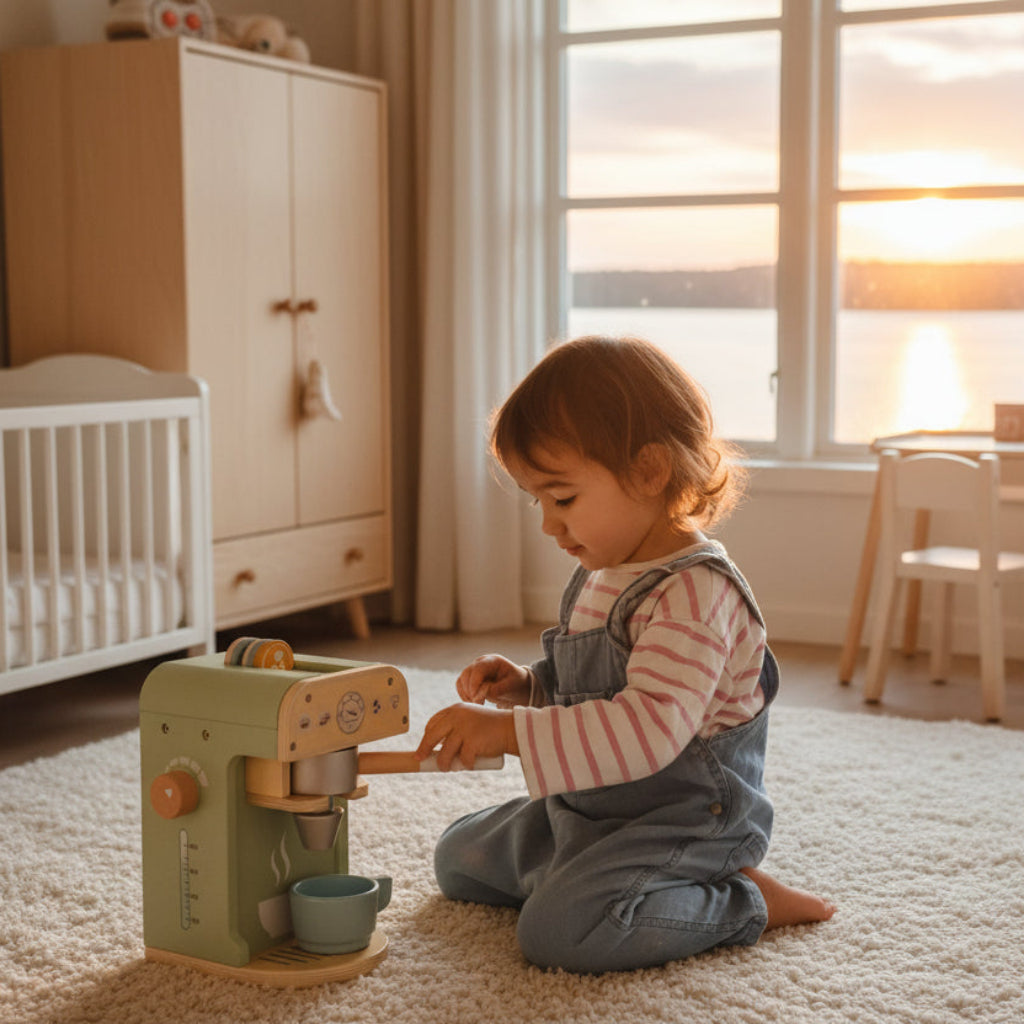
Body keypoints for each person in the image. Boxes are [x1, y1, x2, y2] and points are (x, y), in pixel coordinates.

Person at [415, 335, 835, 973]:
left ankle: (741, 899)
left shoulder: (695, 593)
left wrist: (509, 733)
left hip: (685, 819)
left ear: (648, 472)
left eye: (563, 499)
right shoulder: (605, 566)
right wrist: (529, 686)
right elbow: (591, 689)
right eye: (538, 502)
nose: (549, 526)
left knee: (560, 933)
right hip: (592, 806)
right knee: (457, 858)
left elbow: (645, 729)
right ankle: (601, 876)